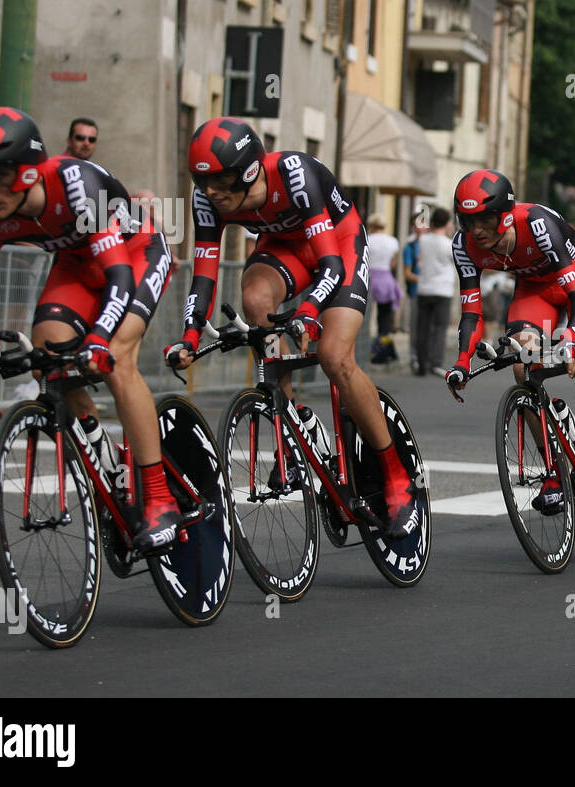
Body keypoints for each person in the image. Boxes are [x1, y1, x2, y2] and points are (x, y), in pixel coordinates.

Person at [0, 107, 181, 553]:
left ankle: (159, 499)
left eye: (0, 176)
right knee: (48, 354)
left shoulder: (76, 185)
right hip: (76, 265)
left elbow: (120, 278)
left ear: (28, 170)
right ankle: (102, 452)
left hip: (135, 253)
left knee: (117, 359)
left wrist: (100, 340)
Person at [166, 117, 421, 539]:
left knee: (334, 358)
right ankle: (288, 422)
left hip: (336, 244)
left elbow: (332, 267)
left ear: (249, 170)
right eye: (202, 181)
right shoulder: (207, 200)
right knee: (254, 302)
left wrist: (309, 310)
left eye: (221, 181)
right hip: (284, 247)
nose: (211, 192)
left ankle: (396, 476)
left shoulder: (295, 175)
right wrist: (190, 334)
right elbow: (205, 273)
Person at [444, 169, 575, 505]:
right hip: (535, 291)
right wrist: (461, 362)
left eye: (484, 219)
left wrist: (570, 337)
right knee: (521, 366)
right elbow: (472, 311)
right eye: (468, 221)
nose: (476, 230)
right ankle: (556, 470)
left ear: (506, 216)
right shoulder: (463, 245)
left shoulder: (538, 224)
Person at [414, 207, 456, 377]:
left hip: (424, 288)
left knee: (422, 327)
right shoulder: (449, 244)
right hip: (443, 289)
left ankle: (421, 362)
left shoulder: (423, 240)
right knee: (439, 327)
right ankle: (436, 363)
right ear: (447, 223)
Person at [363, 213, 401, 365]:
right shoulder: (393, 241)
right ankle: (382, 349)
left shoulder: (367, 239)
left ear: (371, 226)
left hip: (369, 277)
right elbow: (393, 262)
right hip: (386, 278)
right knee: (385, 317)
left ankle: (366, 347)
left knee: (365, 315)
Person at [401, 212, 426, 370]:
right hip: (416, 292)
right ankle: (414, 356)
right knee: (416, 326)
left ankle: (427, 358)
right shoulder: (410, 247)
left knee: (429, 328)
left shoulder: (437, 244)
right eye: (418, 223)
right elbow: (407, 273)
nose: (421, 227)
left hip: (432, 292)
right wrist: (423, 280)